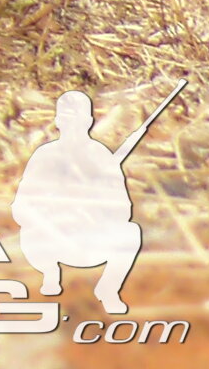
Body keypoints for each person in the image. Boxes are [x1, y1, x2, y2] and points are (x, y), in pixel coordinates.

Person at [10, 91, 143, 313]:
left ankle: (108, 289)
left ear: (89, 121)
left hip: (91, 239)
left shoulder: (101, 156)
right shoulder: (45, 155)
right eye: (67, 118)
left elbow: (123, 209)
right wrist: (51, 215)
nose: (73, 125)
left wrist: (96, 207)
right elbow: (21, 206)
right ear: (58, 121)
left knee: (131, 232)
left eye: (79, 119)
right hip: (51, 240)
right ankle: (50, 276)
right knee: (29, 233)